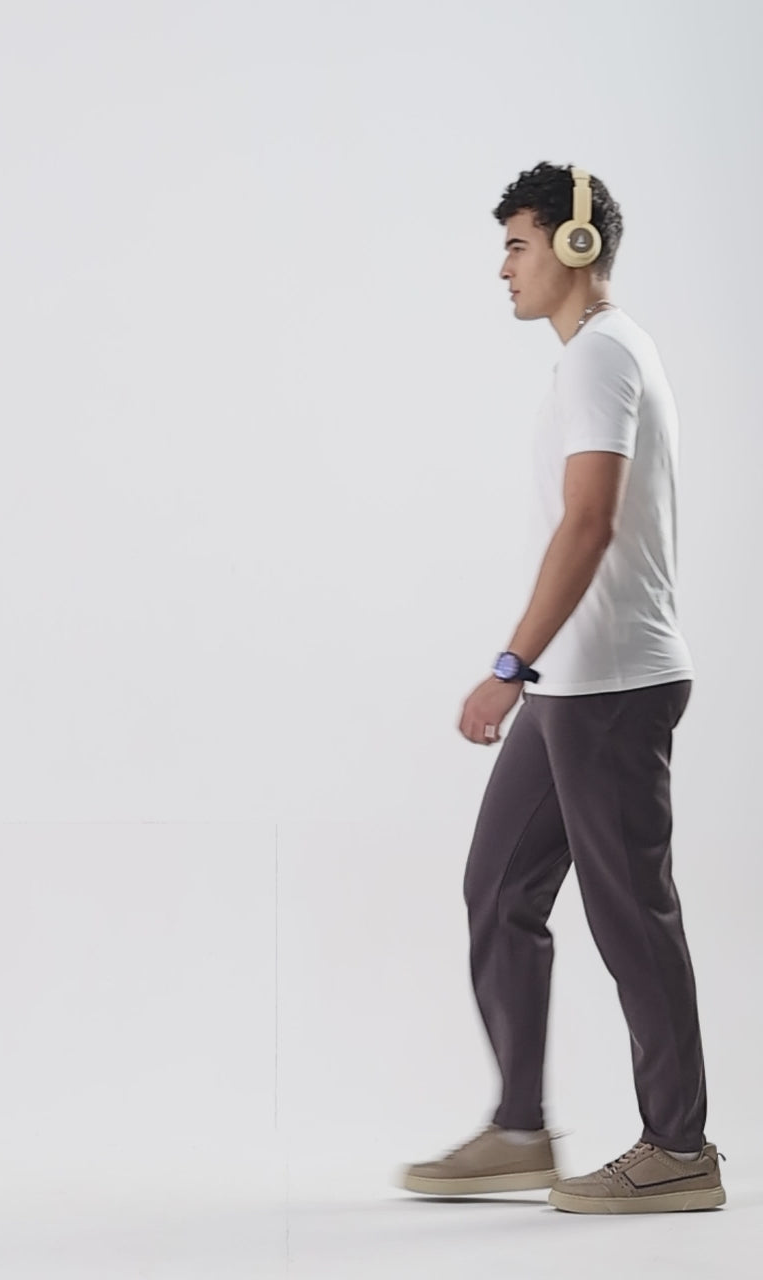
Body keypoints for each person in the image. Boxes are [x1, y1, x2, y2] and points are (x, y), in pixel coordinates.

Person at [396, 162, 725, 1214]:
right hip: (573, 683)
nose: (504, 268)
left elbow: (590, 522)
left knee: (631, 915)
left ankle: (680, 1149)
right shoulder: (592, 358)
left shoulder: (602, 356)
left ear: (576, 248)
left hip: (611, 682)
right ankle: (518, 1129)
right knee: (500, 889)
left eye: (518, 244)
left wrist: (508, 666)